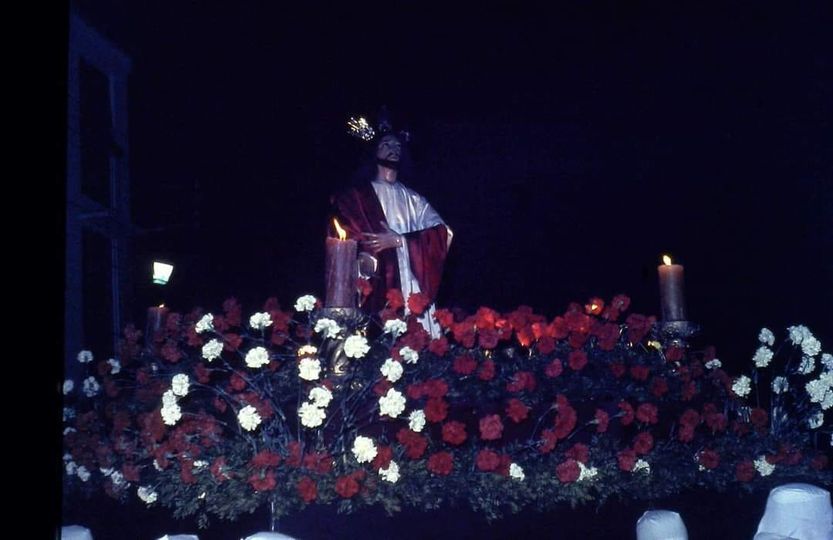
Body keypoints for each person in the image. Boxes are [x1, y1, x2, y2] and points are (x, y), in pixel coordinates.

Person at [330, 128, 452, 336]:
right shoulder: (357, 198)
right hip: (377, 283)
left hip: (411, 283)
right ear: (374, 151)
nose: (393, 149)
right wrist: (364, 259)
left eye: (397, 146)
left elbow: (443, 233)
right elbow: (345, 238)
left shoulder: (414, 200)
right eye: (386, 144)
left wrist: (400, 241)